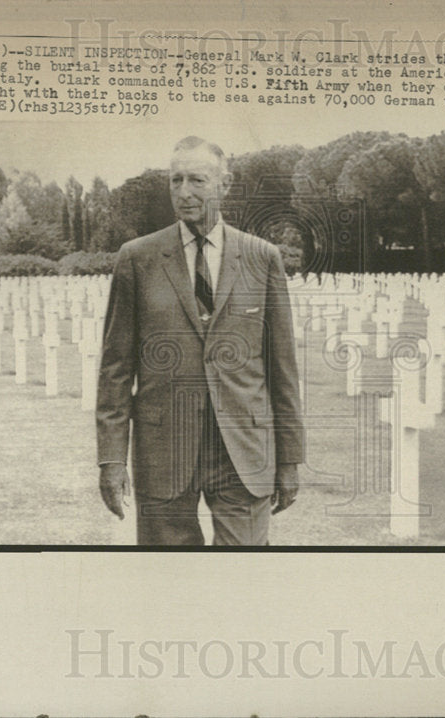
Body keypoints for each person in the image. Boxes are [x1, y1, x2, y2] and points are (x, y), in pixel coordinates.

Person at [96, 136, 304, 545]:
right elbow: (115, 369)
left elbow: (283, 369)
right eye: (176, 180)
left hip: (243, 446)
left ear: (225, 184)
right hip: (164, 448)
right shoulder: (137, 258)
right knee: (170, 573)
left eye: (197, 180)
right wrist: (111, 459)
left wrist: (290, 459)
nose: (184, 192)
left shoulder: (262, 257)